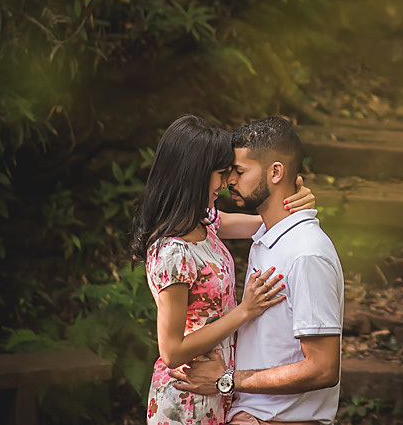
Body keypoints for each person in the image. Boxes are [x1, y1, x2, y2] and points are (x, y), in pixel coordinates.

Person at [130, 114, 319, 425]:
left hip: (217, 389)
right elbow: (172, 351)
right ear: (194, 175)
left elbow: (265, 222)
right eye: (219, 173)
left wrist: (295, 203)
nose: (226, 182)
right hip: (186, 398)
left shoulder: (205, 222)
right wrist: (245, 311)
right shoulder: (171, 252)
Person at [170, 116, 345, 425]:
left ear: (276, 172)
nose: (229, 182)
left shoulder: (306, 253)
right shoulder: (269, 237)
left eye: (239, 171)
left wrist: (227, 379)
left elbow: (323, 368)